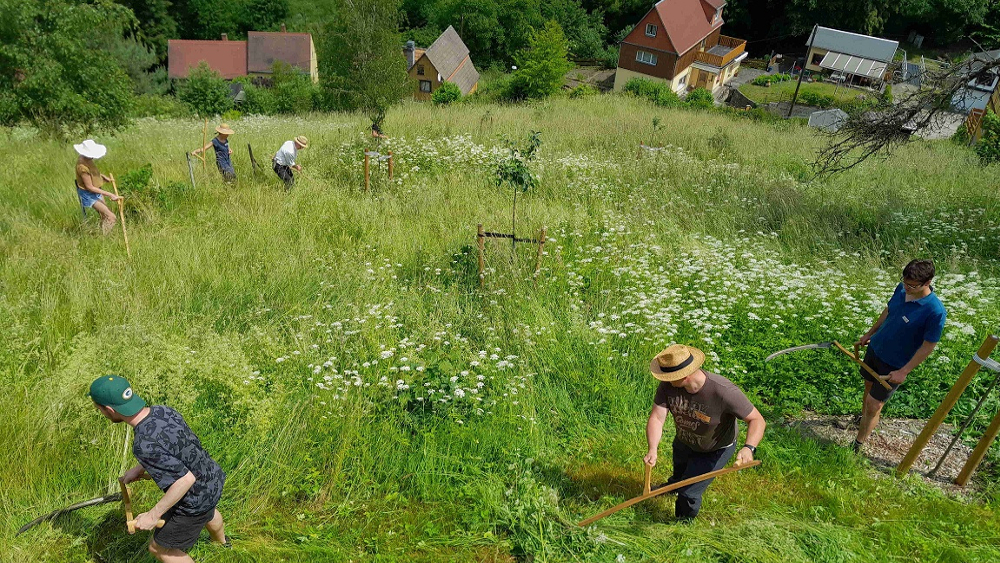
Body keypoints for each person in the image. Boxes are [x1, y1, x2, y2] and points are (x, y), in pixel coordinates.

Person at [90, 375, 229, 562]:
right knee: (209, 512)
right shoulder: (163, 411)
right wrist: (141, 467)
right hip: (212, 477)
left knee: (160, 550)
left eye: (99, 409)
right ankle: (223, 546)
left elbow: (185, 480)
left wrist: (152, 515)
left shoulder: (143, 445)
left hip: (194, 498)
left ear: (109, 409)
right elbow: (174, 446)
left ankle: (218, 544)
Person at [644, 344, 766, 520]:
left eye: (670, 377)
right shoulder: (667, 386)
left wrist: (749, 448)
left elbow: (757, 419)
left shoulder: (723, 391)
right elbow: (657, 418)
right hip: (684, 442)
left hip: (714, 450)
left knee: (689, 492)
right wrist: (652, 448)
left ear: (684, 376)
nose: (665, 380)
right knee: (679, 475)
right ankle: (673, 488)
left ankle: (682, 524)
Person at [852, 259, 946, 452]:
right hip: (876, 349)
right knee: (868, 390)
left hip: (894, 364)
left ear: (928, 282)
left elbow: (928, 346)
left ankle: (858, 444)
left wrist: (904, 371)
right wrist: (870, 334)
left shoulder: (935, 311)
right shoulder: (901, 290)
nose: (907, 288)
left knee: (874, 404)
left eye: (912, 285)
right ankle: (864, 421)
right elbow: (888, 311)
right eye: (905, 282)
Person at [74, 139, 121, 235]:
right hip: (89, 195)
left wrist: (102, 177)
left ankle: (101, 234)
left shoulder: (87, 159)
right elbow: (89, 187)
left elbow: (93, 173)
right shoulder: (82, 167)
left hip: (97, 191)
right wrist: (110, 194)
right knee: (111, 217)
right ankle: (104, 239)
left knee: (104, 216)